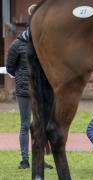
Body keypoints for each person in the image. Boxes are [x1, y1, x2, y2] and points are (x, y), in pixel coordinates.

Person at [6, 6, 53, 170]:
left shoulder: (43, 43)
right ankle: (25, 160)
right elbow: (10, 67)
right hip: (25, 91)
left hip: (40, 91)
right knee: (25, 124)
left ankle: (39, 160)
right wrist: (23, 79)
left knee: (41, 125)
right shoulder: (17, 44)